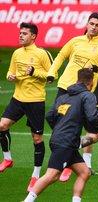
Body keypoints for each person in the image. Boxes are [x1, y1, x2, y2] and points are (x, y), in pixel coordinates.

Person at [46, 12, 98, 180]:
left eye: (97, 25)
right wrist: (51, 73)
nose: (93, 27)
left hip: (84, 93)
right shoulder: (75, 41)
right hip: (65, 87)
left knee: (87, 129)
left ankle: (72, 161)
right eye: (91, 23)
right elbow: (60, 57)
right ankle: (66, 159)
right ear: (87, 24)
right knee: (57, 121)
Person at [24, 68, 98, 202]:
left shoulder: (63, 96)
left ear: (77, 79)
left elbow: (50, 116)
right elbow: (91, 117)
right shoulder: (88, 95)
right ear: (91, 81)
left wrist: (59, 129)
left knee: (84, 172)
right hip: (66, 142)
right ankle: (28, 200)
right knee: (52, 175)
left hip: (61, 140)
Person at [0, 22, 53, 192]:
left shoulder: (42, 54)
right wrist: (10, 75)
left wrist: (34, 73)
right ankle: (7, 159)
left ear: (33, 36)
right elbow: (11, 71)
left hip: (35, 101)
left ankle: (35, 175)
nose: (20, 35)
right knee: (2, 126)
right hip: (18, 99)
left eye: (24, 33)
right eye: (20, 33)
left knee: (37, 139)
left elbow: (52, 76)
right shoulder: (16, 53)